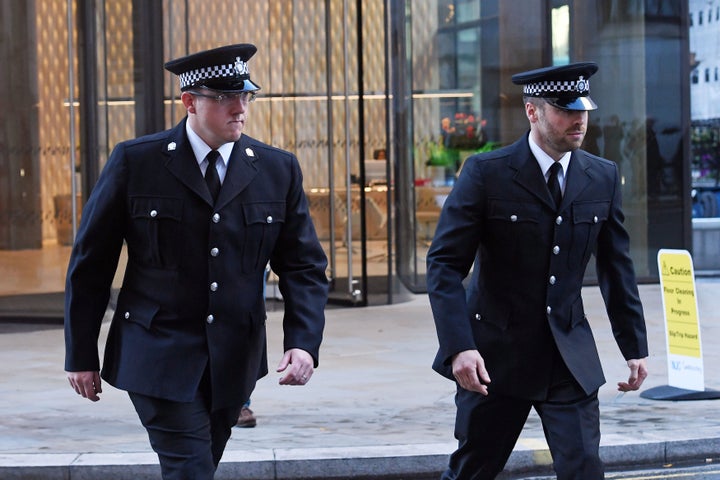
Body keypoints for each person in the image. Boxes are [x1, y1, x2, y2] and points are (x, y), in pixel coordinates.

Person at [64, 43, 328, 479]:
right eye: (226, 98)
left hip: (234, 359)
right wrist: (80, 352)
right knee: (189, 468)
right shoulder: (137, 161)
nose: (240, 108)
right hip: (156, 352)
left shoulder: (277, 169)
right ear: (190, 102)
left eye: (246, 96)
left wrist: (303, 341)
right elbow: (91, 264)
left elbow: (303, 266)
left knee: (203, 462)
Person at [426, 62, 649, 480]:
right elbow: (444, 265)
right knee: (473, 470)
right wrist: (459, 346)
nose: (579, 119)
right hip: (494, 359)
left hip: (569, 357)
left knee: (584, 468)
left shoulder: (601, 176)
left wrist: (633, 345)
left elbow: (616, 267)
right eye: (566, 110)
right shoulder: (486, 173)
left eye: (583, 109)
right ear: (533, 112)